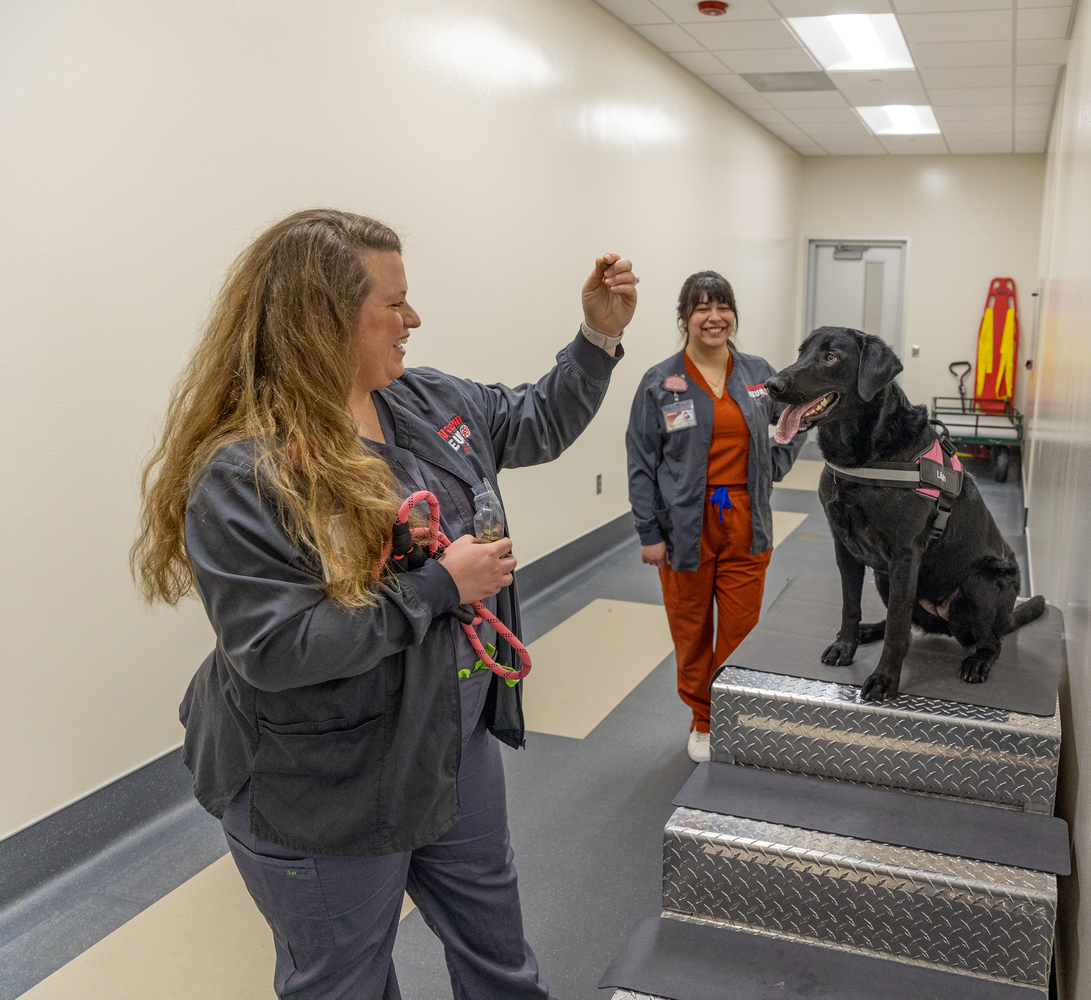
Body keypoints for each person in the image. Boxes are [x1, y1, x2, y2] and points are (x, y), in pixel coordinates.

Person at [131, 209, 636, 999]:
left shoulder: (428, 403)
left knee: (500, 958)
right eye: (393, 304)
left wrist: (597, 338)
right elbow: (277, 647)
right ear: (325, 321)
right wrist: (438, 587)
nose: (414, 319)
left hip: (449, 740)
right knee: (346, 982)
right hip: (324, 780)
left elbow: (537, 419)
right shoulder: (246, 470)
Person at [625, 271, 803, 762]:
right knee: (691, 628)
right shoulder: (661, 382)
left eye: (722, 306)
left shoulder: (759, 374)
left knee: (741, 631)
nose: (713, 317)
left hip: (747, 521)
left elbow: (797, 416)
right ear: (684, 317)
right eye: (701, 307)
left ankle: (734, 716)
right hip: (684, 526)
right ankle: (704, 720)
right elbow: (641, 460)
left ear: (733, 314)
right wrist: (648, 531)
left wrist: (777, 461)